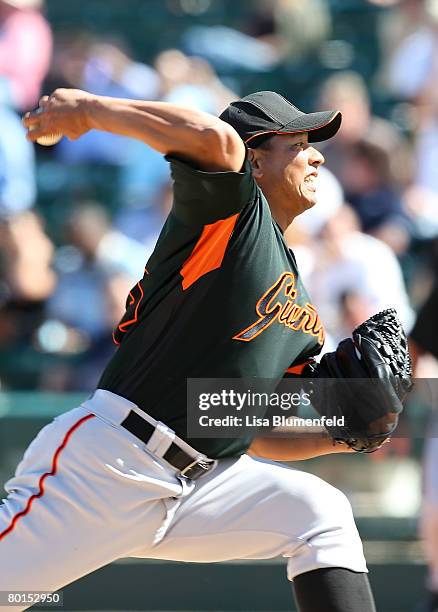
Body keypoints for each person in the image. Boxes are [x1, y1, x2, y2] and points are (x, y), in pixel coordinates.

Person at [0, 88, 376, 612]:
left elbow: (256, 431)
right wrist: (89, 111)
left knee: (322, 514)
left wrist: (345, 435)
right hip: (112, 464)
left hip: (201, 484)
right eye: (297, 141)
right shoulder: (229, 215)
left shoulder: (301, 308)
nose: (315, 154)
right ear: (256, 162)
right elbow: (214, 138)